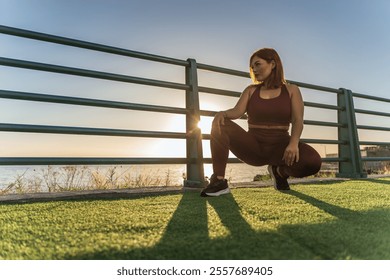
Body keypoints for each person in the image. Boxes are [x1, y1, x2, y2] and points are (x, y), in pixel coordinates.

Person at [201, 48, 322, 197]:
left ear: (273, 64)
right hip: (254, 147)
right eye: (252, 67)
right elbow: (237, 111)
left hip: (281, 149)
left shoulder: (292, 90)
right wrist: (223, 113)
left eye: (258, 64)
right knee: (220, 123)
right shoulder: (251, 90)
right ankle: (219, 182)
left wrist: (293, 143)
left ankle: (279, 172)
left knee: (313, 161)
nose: (255, 70)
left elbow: (298, 120)